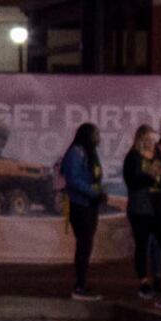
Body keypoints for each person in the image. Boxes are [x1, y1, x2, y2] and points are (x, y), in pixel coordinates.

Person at [54, 122, 106, 299]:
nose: (99, 138)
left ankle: (82, 283)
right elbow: (73, 180)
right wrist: (93, 192)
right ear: (87, 135)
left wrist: (99, 192)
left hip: (91, 205)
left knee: (87, 244)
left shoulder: (91, 152)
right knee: (84, 245)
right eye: (96, 134)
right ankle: (79, 287)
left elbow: (95, 176)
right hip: (80, 205)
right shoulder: (76, 152)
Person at [121, 123, 161, 298]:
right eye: (147, 139)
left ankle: (157, 275)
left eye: (153, 140)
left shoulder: (158, 157)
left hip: (157, 206)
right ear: (140, 139)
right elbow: (132, 181)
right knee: (142, 244)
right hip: (140, 207)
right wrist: (150, 177)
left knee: (159, 243)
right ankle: (143, 281)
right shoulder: (133, 157)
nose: (150, 143)